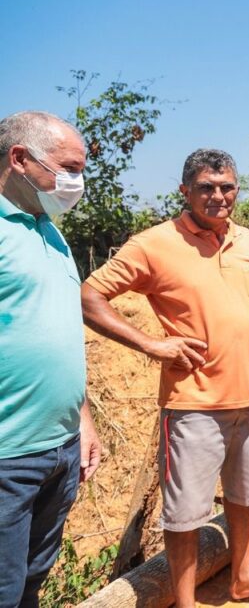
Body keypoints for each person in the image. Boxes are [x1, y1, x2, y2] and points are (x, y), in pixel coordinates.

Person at [81, 149, 249, 605]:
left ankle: (243, 575)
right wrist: (152, 344)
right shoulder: (153, 244)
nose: (218, 196)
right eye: (206, 187)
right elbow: (90, 296)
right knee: (185, 515)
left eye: (227, 187)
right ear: (185, 191)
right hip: (193, 405)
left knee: (246, 494)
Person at [0, 111, 102, 608]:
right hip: (8, 455)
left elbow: (58, 331)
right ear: (20, 158)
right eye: (69, 168)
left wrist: (82, 418)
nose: (76, 182)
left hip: (59, 449)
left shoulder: (49, 231)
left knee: (30, 582)